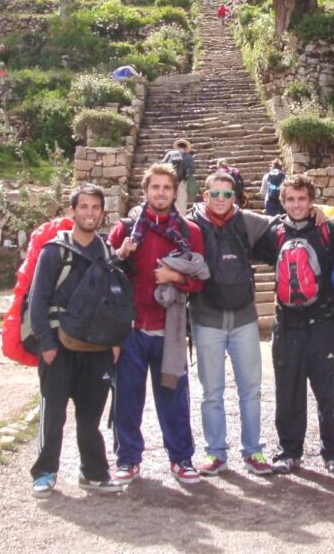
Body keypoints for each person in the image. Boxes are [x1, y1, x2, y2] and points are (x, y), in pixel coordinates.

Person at [108, 164, 207, 485]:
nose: (161, 193)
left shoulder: (190, 232)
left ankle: (181, 458)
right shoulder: (125, 230)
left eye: (167, 188)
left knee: (174, 398)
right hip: (132, 329)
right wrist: (120, 255)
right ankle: (127, 459)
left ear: (175, 191)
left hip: (171, 329)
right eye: (156, 188)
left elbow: (200, 280)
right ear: (146, 191)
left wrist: (175, 277)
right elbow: (106, 272)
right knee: (128, 397)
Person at [27, 185, 123, 498]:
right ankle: (44, 472)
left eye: (96, 208)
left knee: (90, 416)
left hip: (97, 346)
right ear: (72, 211)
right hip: (59, 344)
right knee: (53, 413)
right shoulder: (54, 251)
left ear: (102, 213)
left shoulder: (107, 252)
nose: (90, 213)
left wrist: (116, 340)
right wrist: (45, 342)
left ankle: (94, 473)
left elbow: (115, 300)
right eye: (84, 207)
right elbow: (38, 298)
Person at [253, 174, 334, 475]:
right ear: (282, 203)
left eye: (302, 199)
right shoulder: (274, 232)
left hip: (323, 322)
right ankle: (288, 451)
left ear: (312, 202)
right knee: (287, 391)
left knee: (326, 394)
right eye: (291, 199)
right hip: (287, 323)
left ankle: (333, 452)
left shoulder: (330, 230)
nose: (297, 204)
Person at [186, 172, 275, 476]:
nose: (221, 200)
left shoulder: (247, 221)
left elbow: (280, 228)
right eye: (215, 194)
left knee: (250, 389)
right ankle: (215, 452)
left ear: (235, 197)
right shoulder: (191, 224)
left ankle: (253, 451)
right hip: (207, 317)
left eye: (227, 195)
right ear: (204, 195)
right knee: (212, 391)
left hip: (244, 318)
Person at [160, 138, 196, 213]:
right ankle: (180, 218)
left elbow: (162, 164)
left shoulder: (170, 153)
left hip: (168, 180)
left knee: (166, 198)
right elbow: (192, 170)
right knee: (181, 201)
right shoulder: (189, 157)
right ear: (186, 147)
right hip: (182, 180)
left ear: (178, 146)